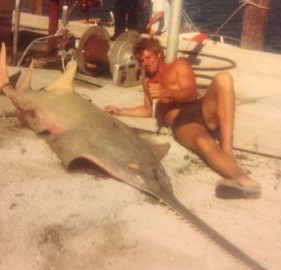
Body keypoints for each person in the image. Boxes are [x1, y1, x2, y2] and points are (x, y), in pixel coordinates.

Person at [105, 37, 261, 199]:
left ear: (159, 54)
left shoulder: (179, 65)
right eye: (142, 60)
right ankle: (244, 180)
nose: (146, 62)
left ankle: (227, 149)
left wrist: (166, 92)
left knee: (224, 78)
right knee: (203, 142)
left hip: (200, 107)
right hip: (182, 122)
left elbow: (190, 93)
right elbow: (147, 110)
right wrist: (120, 111)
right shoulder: (147, 82)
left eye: (149, 57)